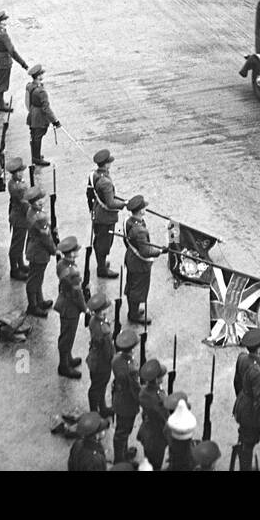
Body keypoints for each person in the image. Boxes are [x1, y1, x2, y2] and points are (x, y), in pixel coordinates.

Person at [232, 327, 260, 472]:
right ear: (259, 348)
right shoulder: (258, 373)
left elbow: (236, 382)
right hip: (250, 413)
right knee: (249, 442)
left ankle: (242, 450)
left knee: (245, 436)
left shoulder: (242, 358)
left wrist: (241, 399)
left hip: (242, 404)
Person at [123, 194, 161, 325]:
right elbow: (145, 252)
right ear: (141, 211)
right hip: (139, 264)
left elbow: (127, 241)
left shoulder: (130, 221)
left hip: (131, 259)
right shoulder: (139, 230)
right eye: (144, 207)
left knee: (132, 286)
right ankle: (133, 315)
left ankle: (133, 310)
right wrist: (160, 251)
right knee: (137, 289)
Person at [88, 148, 126, 279]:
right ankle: (102, 269)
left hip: (97, 212)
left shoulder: (95, 175)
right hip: (105, 217)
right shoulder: (105, 182)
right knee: (104, 244)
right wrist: (124, 204)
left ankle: (102, 264)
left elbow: (91, 194)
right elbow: (110, 203)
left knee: (99, 241)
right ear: (106, 164)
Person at [54, 237, 87, 378]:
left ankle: (68, 358)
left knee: (67, 335)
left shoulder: (62, 264)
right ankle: (64, 366)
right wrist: (85, 308)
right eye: (75, 250)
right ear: (71, 253)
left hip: (64, 302)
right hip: (70, 308)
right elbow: (77, 294)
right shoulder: (73, 272)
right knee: (67, 337)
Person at [111, 329, 141, 465]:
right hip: (127, 403)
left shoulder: (116, 358)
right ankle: (120, 460)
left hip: (118, 397)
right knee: (123, 431)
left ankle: (123, 452)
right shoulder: (132, 369)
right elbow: (136, 389)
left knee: (121, 428)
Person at [0, 10, 28, 112]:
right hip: (4, 62)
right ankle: (1, 105)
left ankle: (0, 102)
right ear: (1, 21)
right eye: (5, 19)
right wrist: (23, 64)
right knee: (2, 83)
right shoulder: (3, 35)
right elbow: (12, 51)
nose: (6, 21)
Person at [25, 63, 60, 167]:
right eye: (41, 74)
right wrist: (55, 121)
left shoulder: (30, 86)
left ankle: (35, 156)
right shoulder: (41, 92)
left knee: (34, 136)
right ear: (39, 76)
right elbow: (46, 108)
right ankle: (37, 158)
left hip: (32, 114)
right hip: (39, 117)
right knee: (38, 137)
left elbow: (28, 101)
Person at [137, 358, 169, 469]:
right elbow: (165, 418)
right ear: (156, 380)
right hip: (156, 437)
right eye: (161, 377)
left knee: (148, 458)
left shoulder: (143, 392)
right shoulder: (159, 399)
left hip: (147, 430)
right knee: (156, 463)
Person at [85, 291, 114, 416]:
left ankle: (101, 407)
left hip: (94, 357)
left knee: (99, 385)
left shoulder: (93, 320)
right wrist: (112, 361)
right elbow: (108, 350)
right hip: (102, 362)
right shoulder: (104, 330)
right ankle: (94, 412)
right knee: (98, 386)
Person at [24, 206, 56, 316]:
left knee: (38, 278)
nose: (41, 202)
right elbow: (46, 239)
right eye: (38, 200)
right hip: (39, 253)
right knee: (34, 280)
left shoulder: (32, 212)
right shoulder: (40, 219)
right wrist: (54, 250)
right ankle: (33, 306)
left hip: (35, 250)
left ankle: (39, 300)